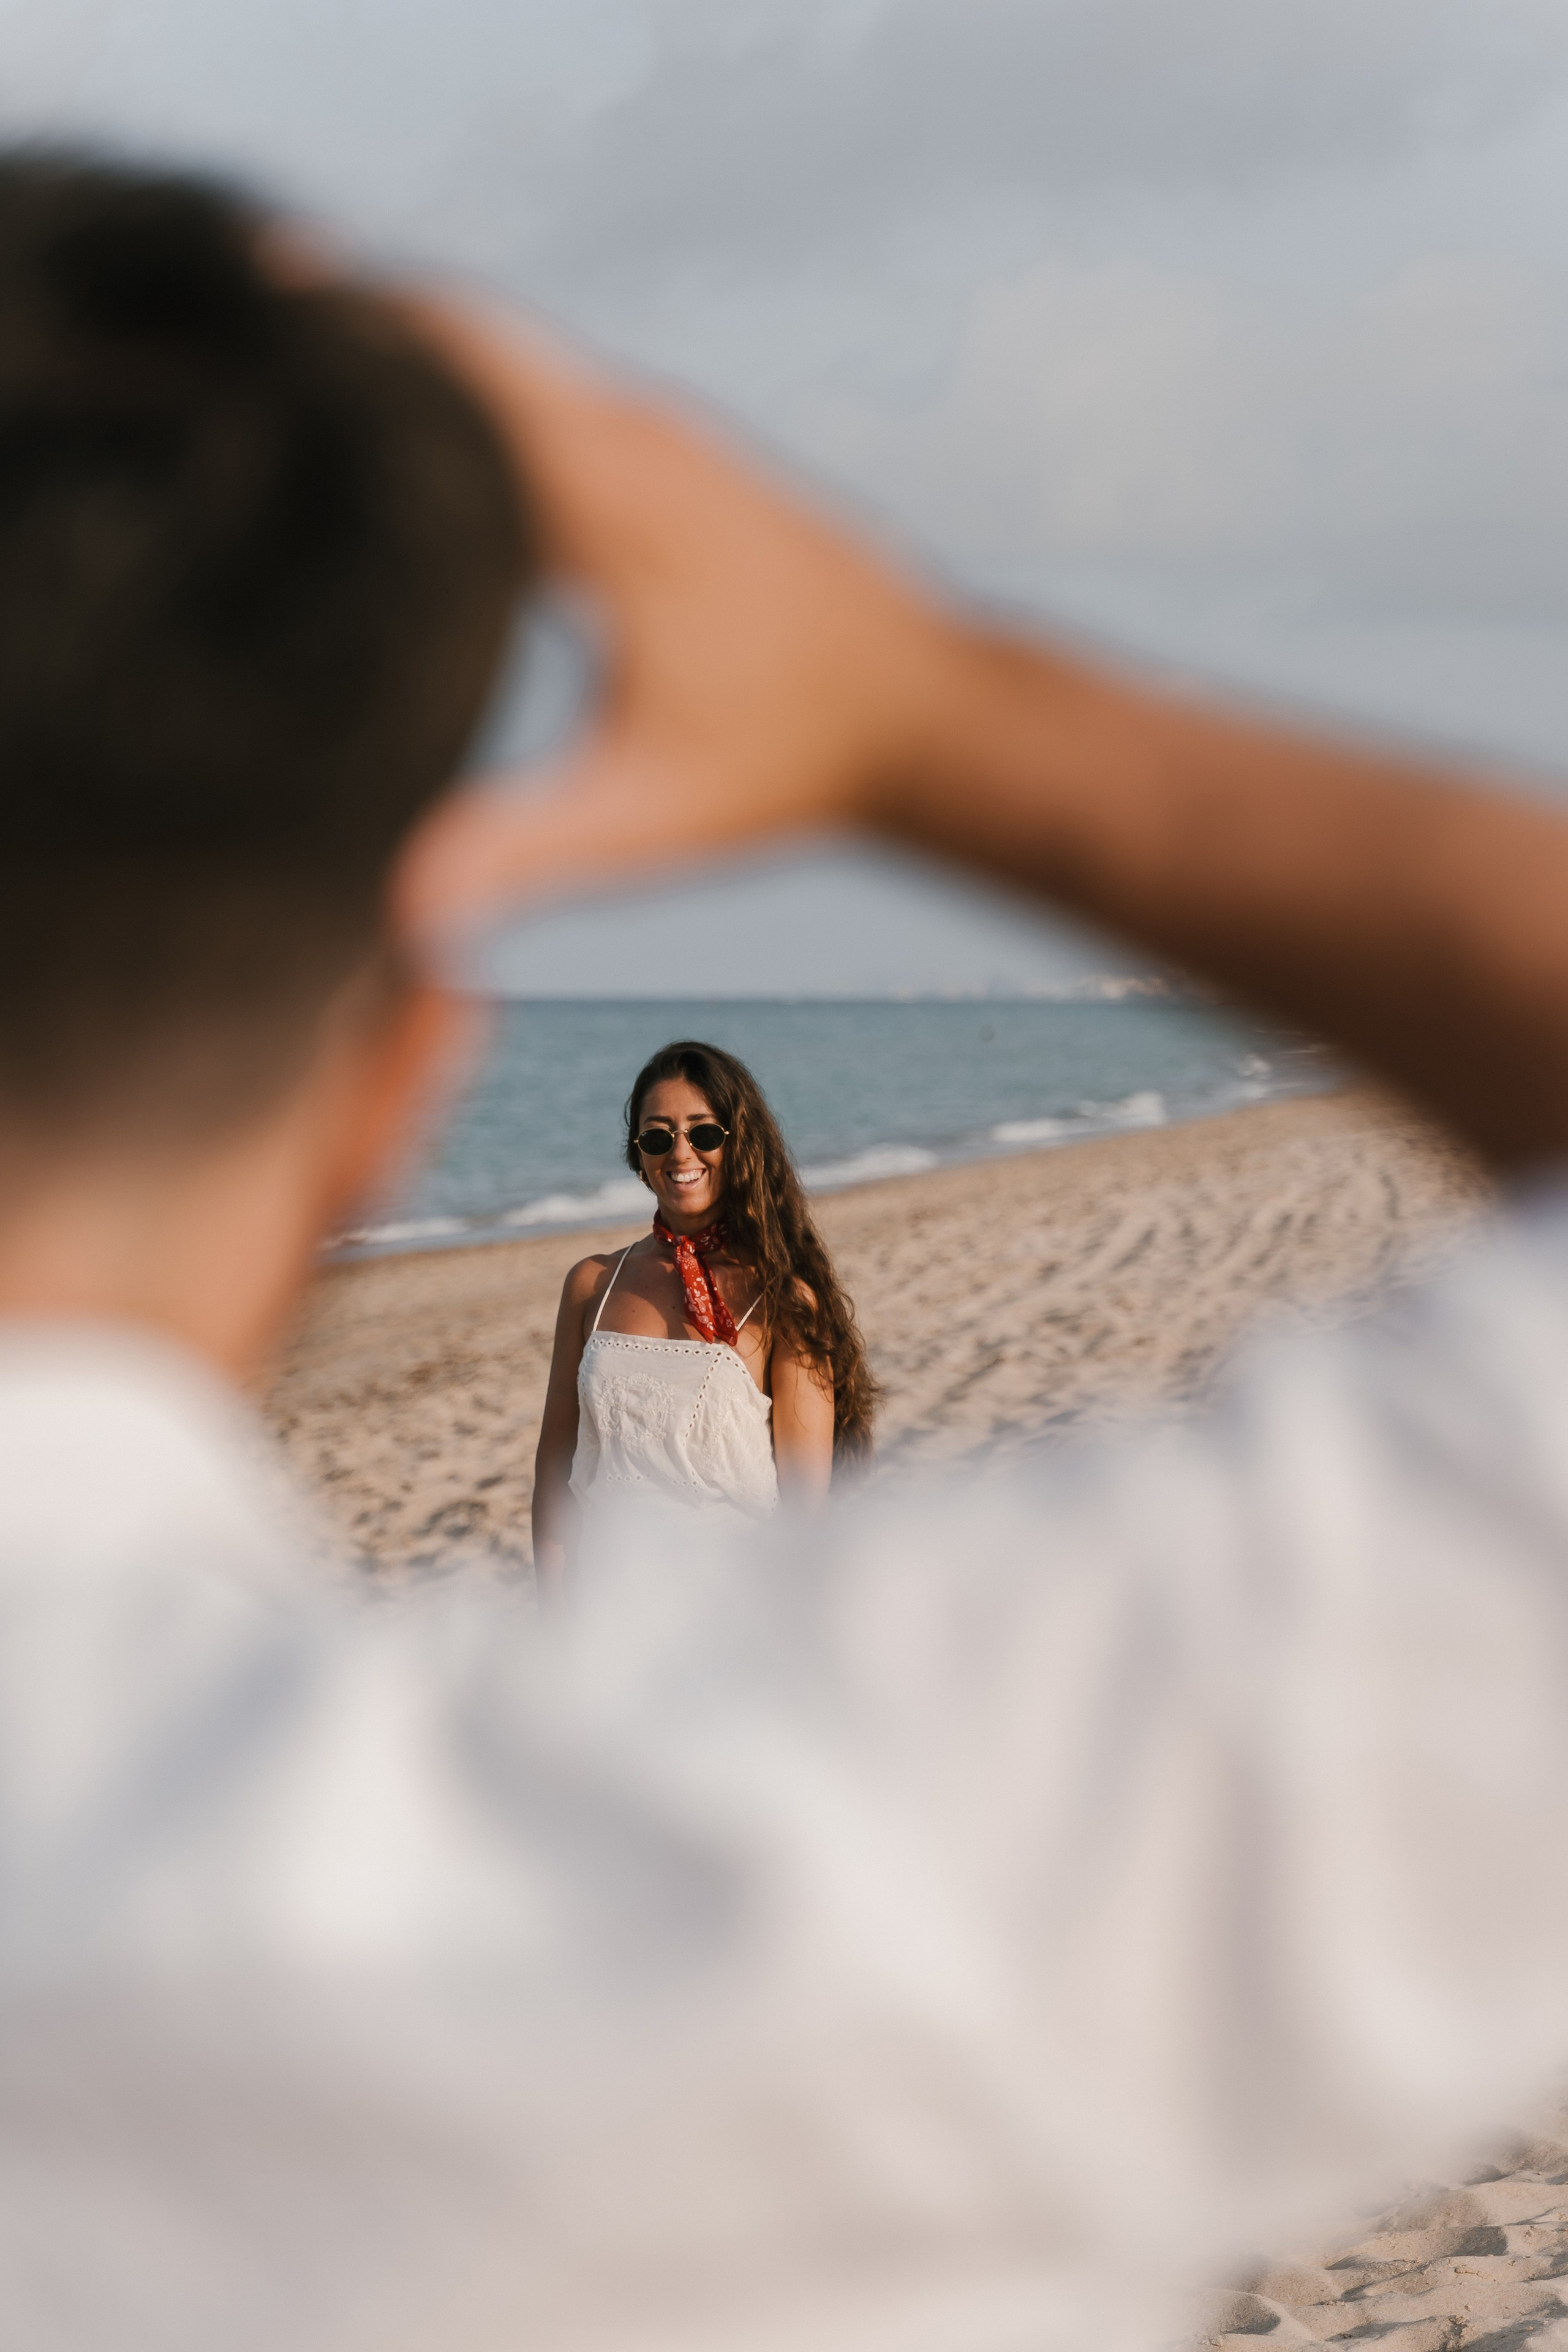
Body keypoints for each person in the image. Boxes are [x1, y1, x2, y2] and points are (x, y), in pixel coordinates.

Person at [13, 146, 1568, 2352]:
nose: (650, 1154)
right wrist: (923, 712)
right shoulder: (754, 1876)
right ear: (401, 1074)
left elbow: (792, 1486)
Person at [531, 1039, 875, 1582]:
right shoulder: (593, 1284)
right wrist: (554, 1609)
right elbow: (555, 1469)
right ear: (638, 1153)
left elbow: (805, 1517)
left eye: (705, 1133)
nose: (681, 1153)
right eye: (658, 1135)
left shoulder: (785, 1301)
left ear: (740, 1146)